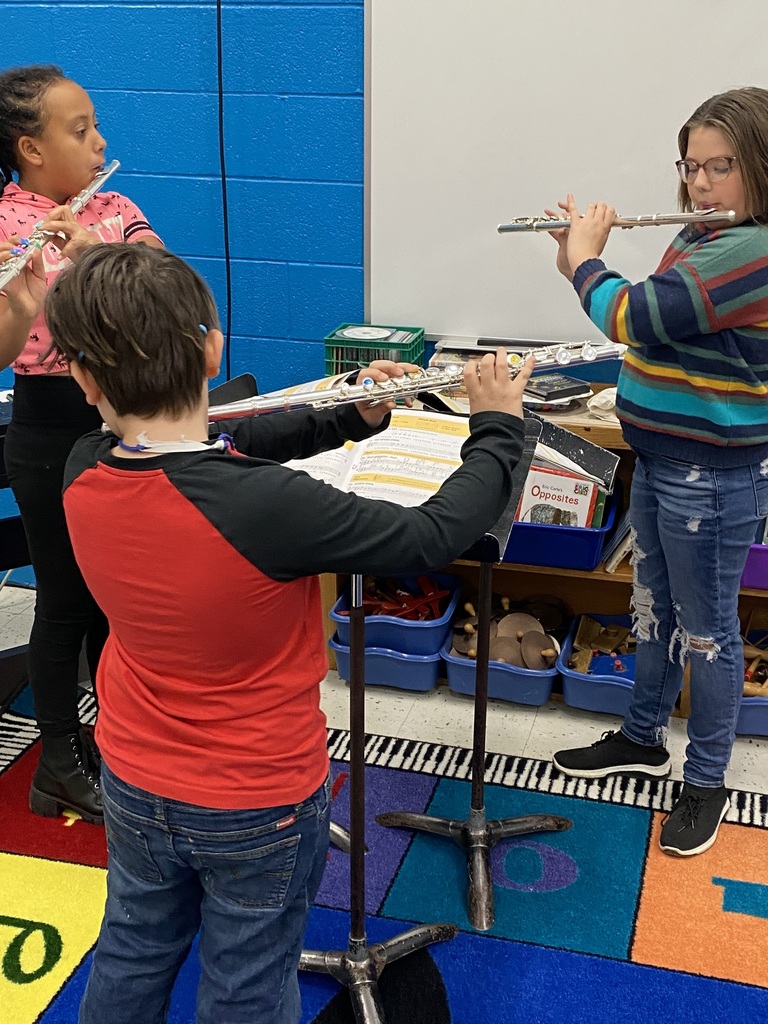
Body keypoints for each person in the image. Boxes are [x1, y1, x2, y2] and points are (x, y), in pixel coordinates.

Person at [44, 240, 534, 1023]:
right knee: (246, 982)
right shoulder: (267, 508)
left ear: (82, 378)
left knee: (134, 950)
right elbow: (431, 535)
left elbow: (218, 446)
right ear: (213, 349)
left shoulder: (81, 464)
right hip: (256, 798)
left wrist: (352, 416)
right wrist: (500, 427)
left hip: (135, 776)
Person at [548, 87, 768, 857]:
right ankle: (642, 736)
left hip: (711, 478)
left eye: (722, 167)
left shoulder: (756, 248)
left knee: (707, 637)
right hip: (662, 461)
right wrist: (576, 261)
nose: (701, 185)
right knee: (653, 609)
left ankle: (706, 781)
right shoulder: (709, 235)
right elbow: (657, 324)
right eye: (691, 167)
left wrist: (583, 258)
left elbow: (633, 317)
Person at [0, 64, 163, 825]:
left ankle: (115, 740)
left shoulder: (115, 208)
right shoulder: (7, 224)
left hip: (121, 420)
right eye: (80, 130)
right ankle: (59, 762)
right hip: (47, 423)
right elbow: (3, 350)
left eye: (96, 126)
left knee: (117, 601)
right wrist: (21, 294)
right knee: (64, 601)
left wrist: (96, 247)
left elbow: (163, 296)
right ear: (31, 149)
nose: (99, 142)